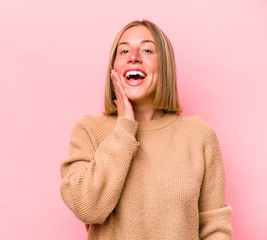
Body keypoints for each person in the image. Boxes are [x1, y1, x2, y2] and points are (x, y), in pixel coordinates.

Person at [59, 19, 233, 239]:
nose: (133, 57)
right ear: (113, 68)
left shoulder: (199, 136)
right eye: (123, 51)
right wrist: (124, 128)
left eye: (147, 50)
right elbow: (88, 207)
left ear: (165, 66)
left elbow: (215, 229)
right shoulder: (89, 131)